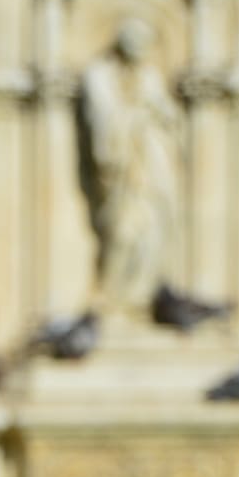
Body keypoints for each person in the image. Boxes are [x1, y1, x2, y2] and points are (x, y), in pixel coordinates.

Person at [78, 18, 179, 311]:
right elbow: (102, 123)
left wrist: (152, 111)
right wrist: (136, 115)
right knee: (123, 230)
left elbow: (169, 116)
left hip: (151, 166)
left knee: (153, 232)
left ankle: (140, 297)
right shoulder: (100, 75)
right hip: (122, 170)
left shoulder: (149, 78)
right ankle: (113, 296)